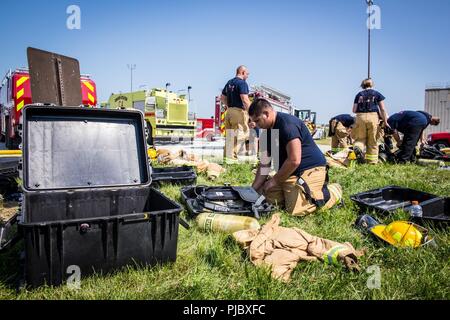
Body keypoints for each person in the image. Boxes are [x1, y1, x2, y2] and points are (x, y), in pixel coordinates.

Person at [249, 98, 342, 216]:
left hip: (308, 169)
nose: (256, 125)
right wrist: (252, 190)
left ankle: (333, 193)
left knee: (296, 210)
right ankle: (289, 195)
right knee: (265, 197)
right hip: (289, 172)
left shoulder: (287, 124)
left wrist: (274, 181)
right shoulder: (266, 132)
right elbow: (264, 164)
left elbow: (294, 160)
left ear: (266, 114)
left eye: (257, 121)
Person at [352, 78, 389, 164]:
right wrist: (385, 121)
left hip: (360, 117)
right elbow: (383, 109)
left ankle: (358, 148)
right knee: (373, 140)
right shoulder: (377, 94)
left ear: (363, 85)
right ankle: (372, 162)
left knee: (360, 138)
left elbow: (354, 110)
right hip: (373, 117)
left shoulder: (358, 95)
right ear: (372, 85)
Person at [221, 66, 252, 161]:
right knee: (240, 135)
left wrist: (229, 106)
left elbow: (222, 97)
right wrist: (252, 113)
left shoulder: (229, 82)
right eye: (247, 74)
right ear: (242, 72)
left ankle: (227, 158)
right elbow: (245, 99)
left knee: (230, 136)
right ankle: (233, 160)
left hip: (229, 112)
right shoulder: (242, 83)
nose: (247, 76)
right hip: (239, 112)